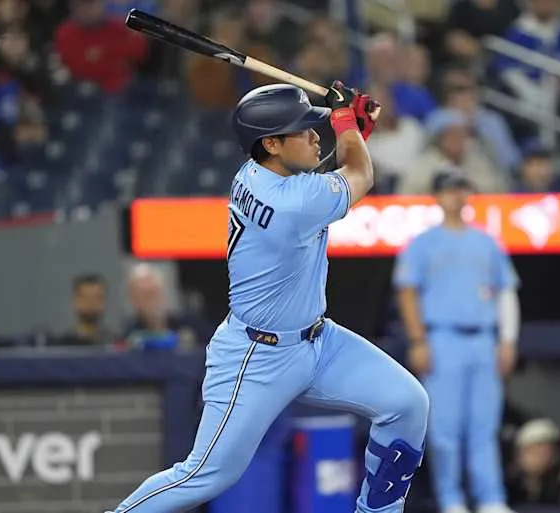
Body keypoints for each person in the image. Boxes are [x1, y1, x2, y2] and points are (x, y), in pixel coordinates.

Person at [107, 81, 429, 513]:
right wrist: (347, 125)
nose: (316, 136)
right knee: (207, 474)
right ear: (271, 144)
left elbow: (330, 180)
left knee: (407, 403)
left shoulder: (267, 177)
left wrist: (354, 133)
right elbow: (360, 176)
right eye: (303, 130)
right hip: (256, 356)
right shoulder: (289, 201)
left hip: (319, 342)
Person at [395, 171, 520, 513]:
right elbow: (407, 292)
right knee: (444, 427)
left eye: (460, 188)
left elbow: (505, 290)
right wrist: (418, 340)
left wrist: (507, 339)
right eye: (448, 190)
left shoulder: (486, 242)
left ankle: (490, 498)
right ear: (437, 196)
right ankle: (451, 499)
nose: (455, 195)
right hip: (442, 337)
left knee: (484, 425)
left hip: (483, 337)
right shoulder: (423, 243)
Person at [120, 263, 208, 351]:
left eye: (156, 293)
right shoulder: (129, 335)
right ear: (134, 300)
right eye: (147, 296)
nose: (153, 302)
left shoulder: (190, 325)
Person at [504, 419, 560, 507]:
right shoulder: (507, 483)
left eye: (549, 450)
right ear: (520, 453)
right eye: (537, 449)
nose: (544, 455)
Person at [52, 274, 116, 347]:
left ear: (104, 303)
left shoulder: (115, 345)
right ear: (74, 301)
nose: (90, 303)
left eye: (96, 298)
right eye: (85, 297)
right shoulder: (61, 346)